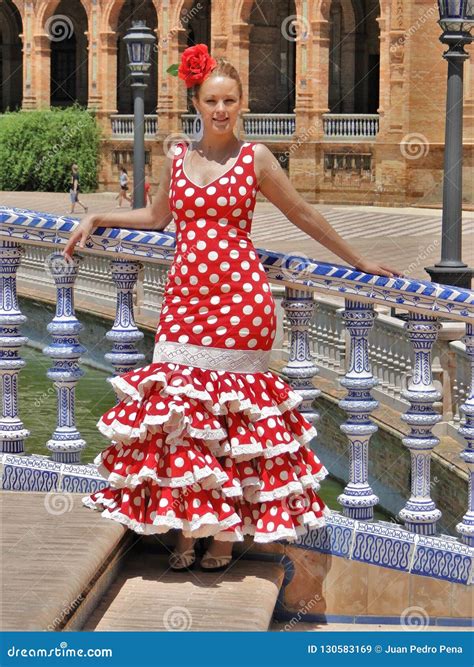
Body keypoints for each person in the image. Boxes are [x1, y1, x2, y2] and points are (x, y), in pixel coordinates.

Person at [63, 44, 402, 573]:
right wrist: (98, 219)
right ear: (195, 102)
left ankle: (220, 539)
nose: (221, 110)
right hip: (184, 303)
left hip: (241, 302)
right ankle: (185, 529)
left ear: (241, 104)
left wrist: (359, 260)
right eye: (211, 100)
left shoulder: (256, 158)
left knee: (231, 427)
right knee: (181, 420)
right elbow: (155, 219)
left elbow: (302, 213)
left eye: (230, 101)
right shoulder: (174, 155)